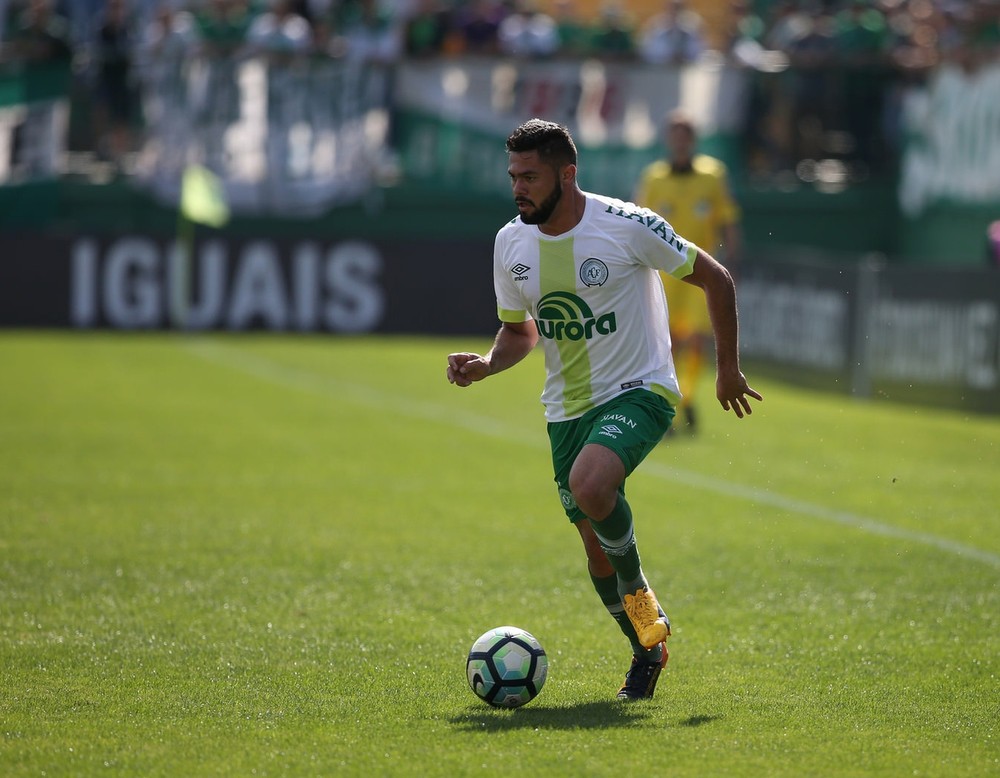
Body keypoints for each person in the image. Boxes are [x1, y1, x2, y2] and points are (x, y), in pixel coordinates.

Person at [446, 118, 761, 700]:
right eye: (513, 176)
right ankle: (648, 650)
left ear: (567, 174)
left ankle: (643, 600)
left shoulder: (628, 224)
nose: (518, 189)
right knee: (594, 549)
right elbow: (519, 332)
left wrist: (727, 369)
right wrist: (488, 363)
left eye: (530, 177)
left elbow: (717, 279)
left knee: (591, 487)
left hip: (641, 389)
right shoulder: (510, 243)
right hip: (565, 409)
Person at [634, 109, 743, 435]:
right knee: (665, 343)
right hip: (664, 274)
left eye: (686, 135)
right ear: (669, 140)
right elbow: (636, 222)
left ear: (693, 140)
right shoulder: (654, 178)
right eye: (675, 135)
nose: (680, 142)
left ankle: (688, 397)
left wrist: (732, 261)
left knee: (695, 338)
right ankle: (666, 405)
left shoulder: (713, 175)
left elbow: (727, 218)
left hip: (700, 271)